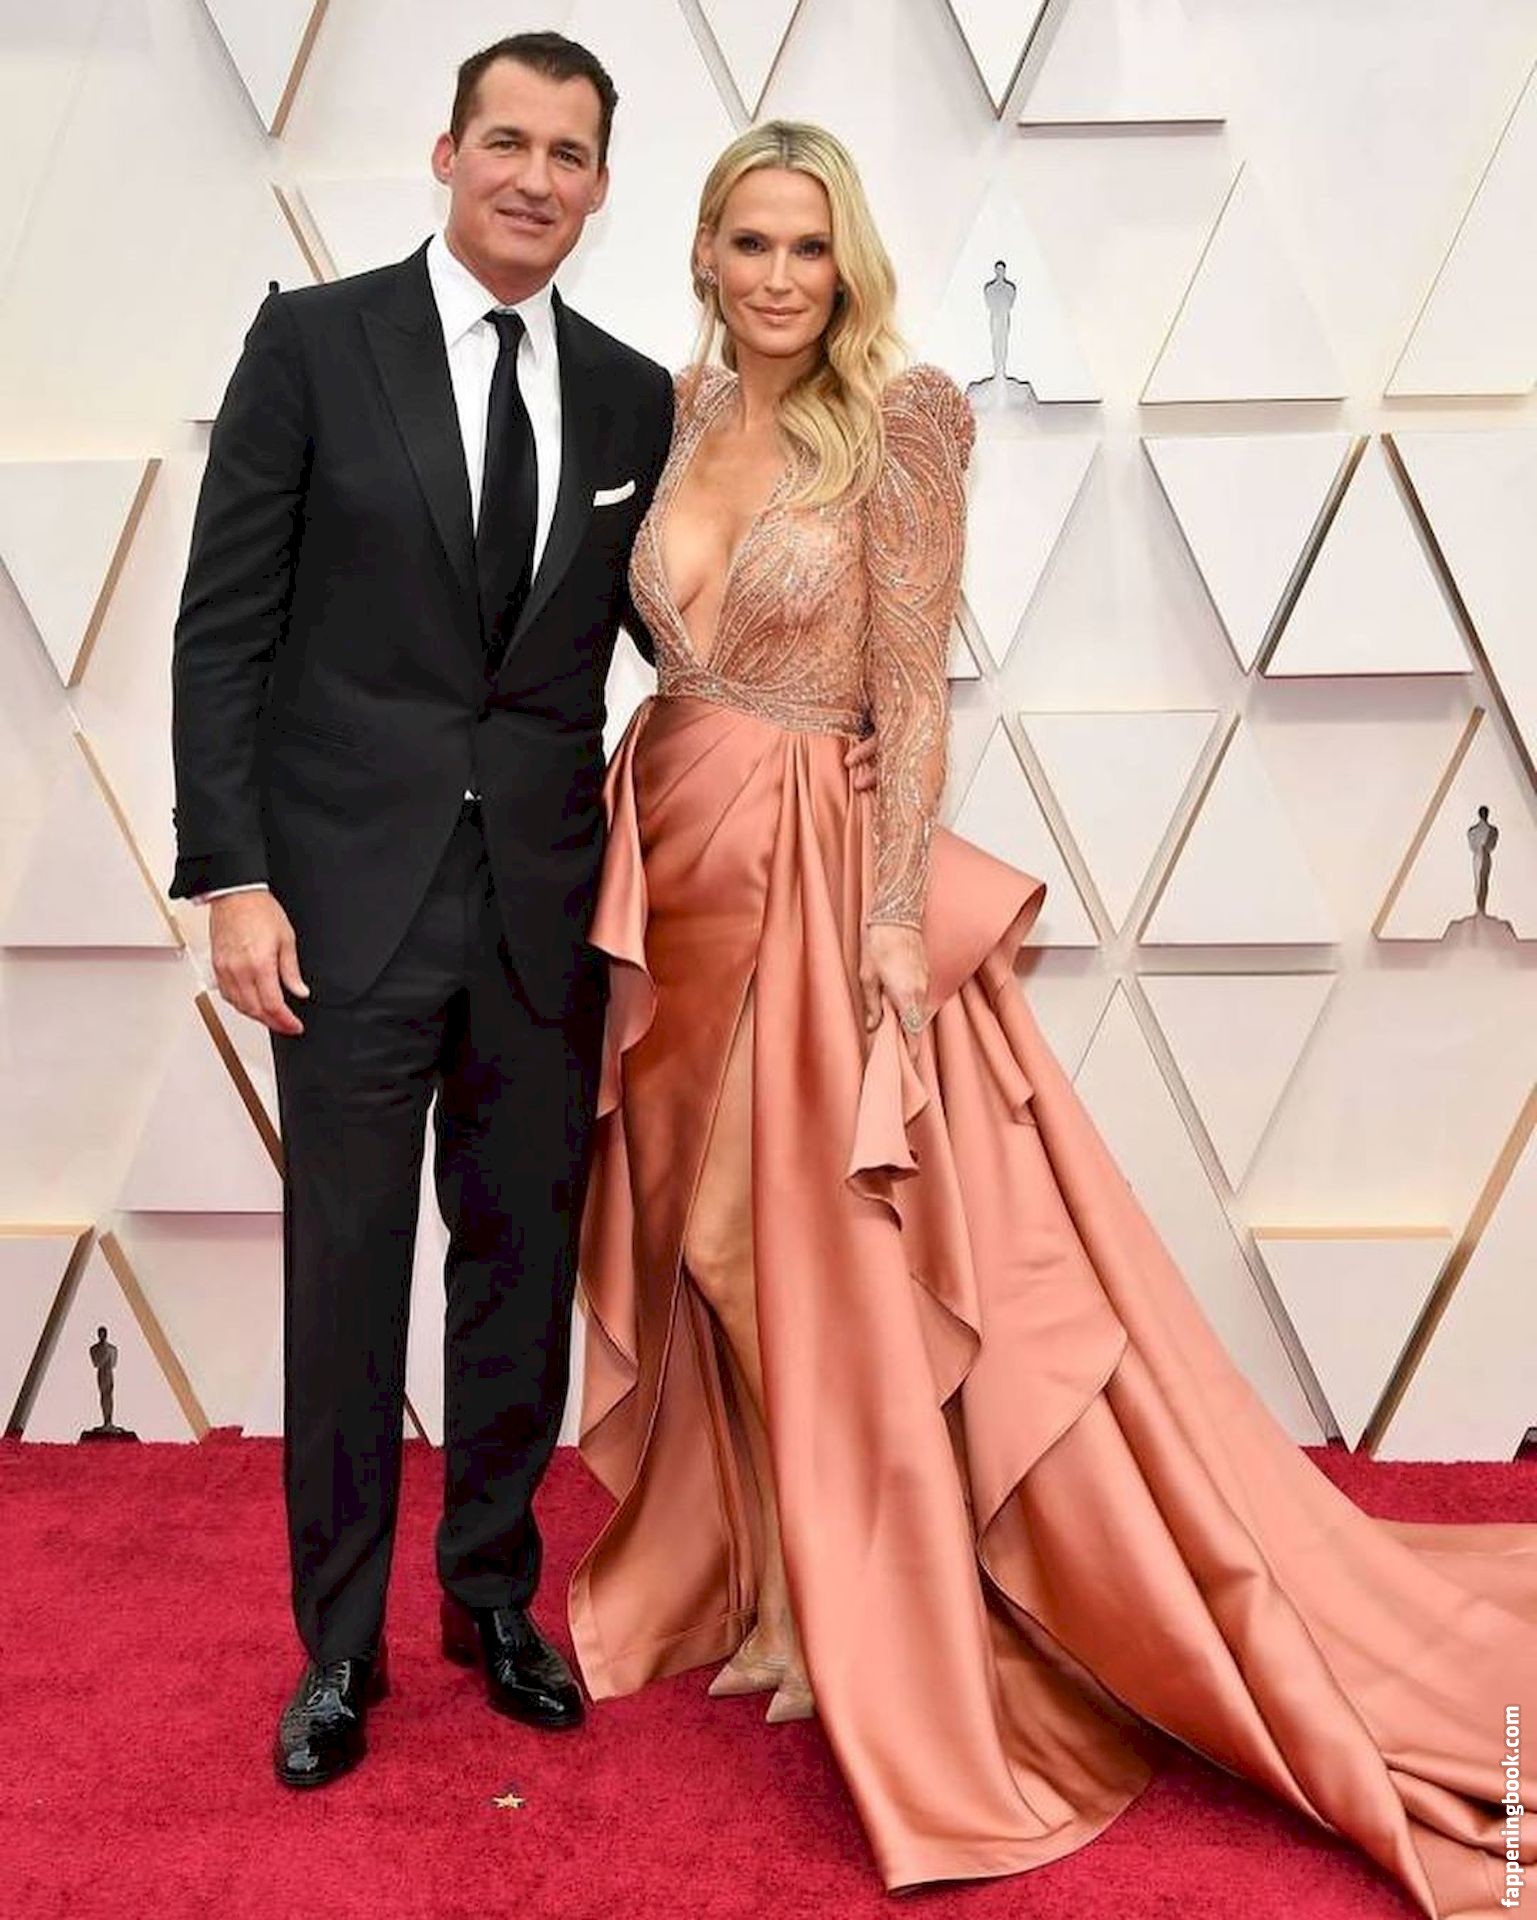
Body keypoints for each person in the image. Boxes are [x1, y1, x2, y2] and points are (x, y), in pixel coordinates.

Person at [567, 120, 1537, 1916]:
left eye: (808, 248)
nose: (778, 277)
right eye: (749, 244)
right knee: (700, 1243)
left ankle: (857, 1612)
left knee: (794, 1249)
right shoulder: (668, 414)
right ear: (700, 251)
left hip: (812, 862)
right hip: (673, 863)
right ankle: (772, 1589)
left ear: (845, 265)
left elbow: (911, 687)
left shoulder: (904, 418)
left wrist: (889, 915)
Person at [170, 32, 679, 1789]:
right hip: (339, 906)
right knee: (345, 1275)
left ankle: (490, 1598)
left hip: (543, 911)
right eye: (506, 142)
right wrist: (234, 878)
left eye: (569, 154)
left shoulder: (631, 396)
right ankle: (335, 1645)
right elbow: (223, 626)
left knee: (517, 1270)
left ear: (600, 187)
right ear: (446, 153)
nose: (535, 177)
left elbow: (679, 639)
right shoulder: (315, 344)